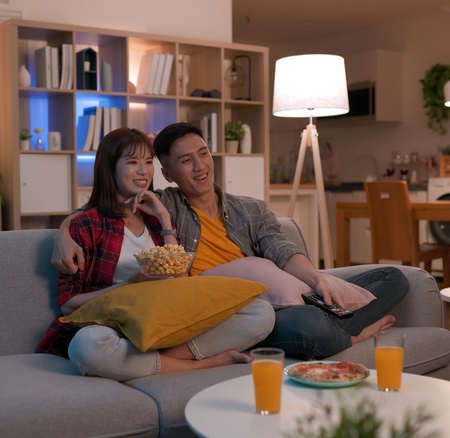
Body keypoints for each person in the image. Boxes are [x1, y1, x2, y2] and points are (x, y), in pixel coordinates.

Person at [52, 122, 409, 360]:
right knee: (310, 326)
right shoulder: (164, 205)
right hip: (245, 311)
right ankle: (352, 335)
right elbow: (107, 204)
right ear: (168, 173)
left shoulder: (250, 210)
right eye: (185, 161)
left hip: (283, 294)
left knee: (394, 277)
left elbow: (281, 251)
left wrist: (317, 280)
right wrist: (64, 230)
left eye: (203, 154)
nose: (199, 166)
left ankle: (337, 326)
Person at [37, 127, 274, 380]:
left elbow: (180, 278)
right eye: (132, 162)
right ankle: (198, 364)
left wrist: (163, 218)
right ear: (110, 168)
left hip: (166, 322)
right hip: (113, 327)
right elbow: (68, 305)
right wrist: (131, 284)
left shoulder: (157, 216)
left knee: (260, 312)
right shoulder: (86, 225)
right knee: (87, 347)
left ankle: (151, 361)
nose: (143, 171)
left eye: (148, 162)